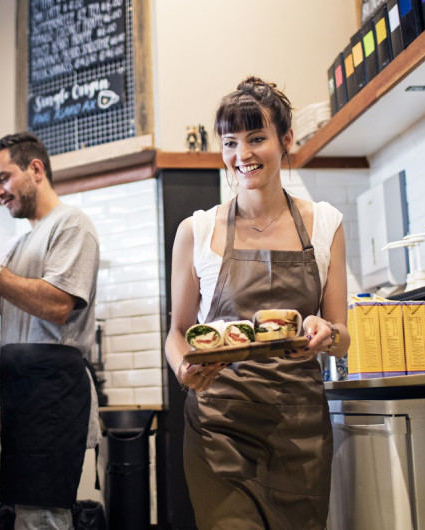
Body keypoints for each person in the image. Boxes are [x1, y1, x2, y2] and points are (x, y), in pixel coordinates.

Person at [164, 76, 351, 529]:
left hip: (298, 433)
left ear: (285, 140)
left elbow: (342, 337)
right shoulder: (197, 231)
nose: (241, 155)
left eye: (256, 138)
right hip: (220, 427)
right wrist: (183, 369)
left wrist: (326, 335)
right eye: (230, 142)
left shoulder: (325, 224)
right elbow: (178, 332)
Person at [0, 132, 100, 530]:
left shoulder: (72, 225)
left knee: (44, 518)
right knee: (29, 517)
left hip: (53, 394)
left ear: (35, 169)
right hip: (25, 396)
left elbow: (57, 304)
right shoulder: (20, 243)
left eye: (2, 179)